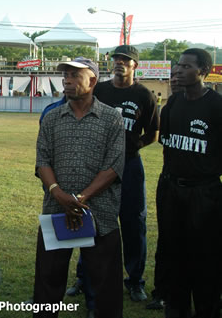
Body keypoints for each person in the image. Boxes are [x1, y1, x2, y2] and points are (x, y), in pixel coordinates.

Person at [65, 45, 159, 304]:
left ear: (134, 66)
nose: (119, 63)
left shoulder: (144, 95)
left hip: (129, 166)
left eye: (125, 60)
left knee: (132, 223)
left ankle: (135, 281)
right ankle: (84, 278)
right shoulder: (101, 90)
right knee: (90, 220)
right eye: (116, 58)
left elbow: (153, 133)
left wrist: (131, 147)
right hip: (96, 166)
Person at [34, 57, 125, 318]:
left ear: (93, 81)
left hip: (100, 213)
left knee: (105, 282)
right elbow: (43, 161)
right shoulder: (52, 118)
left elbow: (114, 166)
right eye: (66, 76)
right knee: (48, 281)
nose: (67, 81)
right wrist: (59, 194)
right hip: (57, 210)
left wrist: (80, 199)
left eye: (75, 75)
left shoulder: (111, 119)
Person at [157, 48, 221, 318]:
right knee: (173, 250)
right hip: (171, 188)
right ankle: (176, 306)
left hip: (204, 192)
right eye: (178, 66)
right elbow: (166, 142)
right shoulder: (173, 103)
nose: (179, 71)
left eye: (186, 67)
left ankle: (207, 308)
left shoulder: (217, 106)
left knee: (205, 255)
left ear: (203, 72)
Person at [146, 64, 183, 311]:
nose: (176, 79)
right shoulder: (169, 108)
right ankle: (162, 291)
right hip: (169, 183)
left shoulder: (212, 105)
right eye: (173, 75)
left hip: (201, 188)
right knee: (167, 241)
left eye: (182, 73)